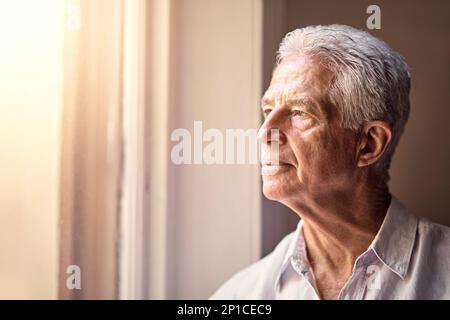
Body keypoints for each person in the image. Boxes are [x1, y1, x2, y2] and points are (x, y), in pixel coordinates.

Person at [210, 25, 450, 300]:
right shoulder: (239, 296)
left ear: (369, 144)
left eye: (300, 112)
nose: (264, 133)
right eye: (267, 110)